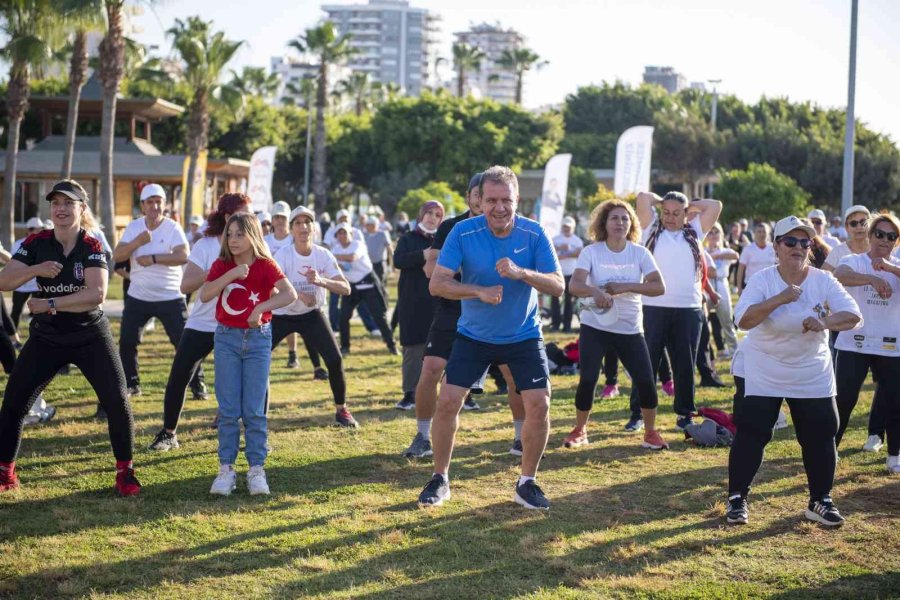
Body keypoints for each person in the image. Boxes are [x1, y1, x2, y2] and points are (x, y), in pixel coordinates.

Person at [417, 166, 563, 511]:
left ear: (517, 200)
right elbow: (437, 283)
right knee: (449, 400)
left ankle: (527, 482)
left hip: (523, 333)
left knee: (540, 403)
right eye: (492, 200)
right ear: (480, 201)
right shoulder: (463, 233)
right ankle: (440, 478)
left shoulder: (534, 232)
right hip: (474, 334)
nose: (500, 207)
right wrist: (477, 291)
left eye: (507, 200)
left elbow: (558, 285)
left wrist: (521, 273)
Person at [0, 179, 141, 496]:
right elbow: (4, 281)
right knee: (14, 403)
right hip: (47, 337)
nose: (61, 209)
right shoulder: (36, 243)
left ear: (82, 209)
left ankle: (125, 472)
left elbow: (96, 294)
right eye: (56, 203)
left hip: (89, 334)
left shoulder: (91, 245)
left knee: (117, 401)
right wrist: (35, 268)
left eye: (68, 203)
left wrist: (50, 303)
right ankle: (5, 472)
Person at [726, 215, 861, 527]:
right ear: (777, 246)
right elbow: (742, 320)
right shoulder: (763, 280)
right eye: (791, 241)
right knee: (753, 431)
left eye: (805, 242)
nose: (798, 247)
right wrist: (781, 298)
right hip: (764, 365)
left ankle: (820, 500)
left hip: (810, 368)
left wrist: (824, 322)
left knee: (822, 431)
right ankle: (737, 499)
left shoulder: (822, 280)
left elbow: (853, 315)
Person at [400, 173, 524, 458]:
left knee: (513, 375)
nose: (485, 201)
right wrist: (467, 278)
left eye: (492, 197)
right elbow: (431, 271)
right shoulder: (451, 227)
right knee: (430, 368)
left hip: (496, 310)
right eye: (479, 195)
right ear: (470, 196)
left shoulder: (511, 226)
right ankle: (421, 436)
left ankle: (520, 437)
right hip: (452, 308)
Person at [201, 213, 296, 496]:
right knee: (229, 410)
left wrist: (260, 308)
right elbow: (205, 294)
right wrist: (231, 274)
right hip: (226, 338)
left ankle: (256, 470)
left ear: (253, 235)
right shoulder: (222, 265)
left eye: (239, 234)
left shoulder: (266, 266)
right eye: (229, 234)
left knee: (254, 411)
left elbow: (289, 295)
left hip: (258, 340)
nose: (233, 240)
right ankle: (226, 470)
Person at [148, 193, 251, 451]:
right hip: (203, 323)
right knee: (179, 376)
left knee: (242, 381)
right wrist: (218, 272)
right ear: (228, 217)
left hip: (237, 325)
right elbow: (186, 285)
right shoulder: (206, 246)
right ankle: (168, 433)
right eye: (245, 213)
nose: (251, 219)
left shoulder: (255, 245)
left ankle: (251, 437)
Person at [565, 200, 668, 450]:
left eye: (625, 218)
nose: (620, 222)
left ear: (631, 223)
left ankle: (651, 433)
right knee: (588, 378)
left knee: (645, 379)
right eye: (614, 218)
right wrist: (594, 291)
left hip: (629, 328)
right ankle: (580, 430)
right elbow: (574, 286)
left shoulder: (640, 253)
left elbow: (658, 287)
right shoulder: (592, 251)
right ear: (604, 223)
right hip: (595, 325)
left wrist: (626, 286)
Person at [627, 191, 722, 432]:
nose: (670, 217)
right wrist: (662, 203)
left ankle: (684, 414)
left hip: (688, 308)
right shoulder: (650, 229)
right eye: (666, 213)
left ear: (686, 214)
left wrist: (690, 206)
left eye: (676, 213)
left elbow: (715, 205)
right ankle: (638, 413)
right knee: (646, 363)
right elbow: (641, 198)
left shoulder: (694, 231)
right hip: (653, 307)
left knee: (684, 364)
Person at [271, 206, 358, 428]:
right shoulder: (283, 255)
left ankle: (342, 410)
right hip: (281, 315)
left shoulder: (323, 255)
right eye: (298, 223)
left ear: (314, 228)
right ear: (291, 230)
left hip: (311, 315)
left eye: (307, 222)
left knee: (335, 359)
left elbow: (345, 288)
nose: (303, 227)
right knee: (256, 360)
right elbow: (270, 288)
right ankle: (231, 412)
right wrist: (299, 294)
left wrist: (322, 281)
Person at [833, 213, 900, 471]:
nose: (884, 240)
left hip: (891, 346)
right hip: (853, 343)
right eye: (880, 234)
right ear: (870, 236)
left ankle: (894, 455)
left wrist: (889, 268)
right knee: (844, 400)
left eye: (891, 236)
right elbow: (841, 273)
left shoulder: (897, 264)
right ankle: (830, 450)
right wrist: (873, 277)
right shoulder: (855, 260)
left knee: (895, 401)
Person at [114, 183, 189, 397]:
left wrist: (154, 258)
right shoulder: (134, 227)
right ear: (143, 206)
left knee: (184, 343)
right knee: (127, 341)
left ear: (164, 205)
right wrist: (137, 242)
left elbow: (183, 255)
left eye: (159, 202)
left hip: (170, 296)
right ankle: (131, 383)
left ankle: (195, 383)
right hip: (138, 296)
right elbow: (118, 256)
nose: (155, 206)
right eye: (150, 202)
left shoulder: (173, 227)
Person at [393, 201, 444, 410]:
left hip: (438, 302)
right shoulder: (408, 238)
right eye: (429, 213)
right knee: (413, 348)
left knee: (442, 349)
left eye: (438, 215)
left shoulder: (444, 240)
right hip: (411, 301)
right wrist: (423, 255)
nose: (432, 217)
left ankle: (456, 394)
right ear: (421, 215)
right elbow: (398, 260)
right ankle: (410, 393)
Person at [333, 223, 397, 356]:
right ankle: (345, 347)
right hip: (351, 286)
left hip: (368, 283)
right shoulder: (336, 248)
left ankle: (392, 345)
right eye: (339, 233)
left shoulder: (358, 244)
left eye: (345, 233)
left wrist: (334, 257)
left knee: (379, 316)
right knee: (343, 317)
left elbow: (352, 257)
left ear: (351, 234)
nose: (342, 236)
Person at [264, 200, 302, 369]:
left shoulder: (293, 240)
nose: (279, 221)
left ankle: (293, 353)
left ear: (289, 220)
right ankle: (262, 354)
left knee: (290, 319)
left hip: (287, 285)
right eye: (276, 217)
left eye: (283, 217)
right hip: (266, 285)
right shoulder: (265, 240)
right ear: (272, 220)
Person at [705, 222, 740, 356]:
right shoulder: (704, 251)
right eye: (710, 232)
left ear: (721, 234)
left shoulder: (725, 250)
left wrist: (716, 255)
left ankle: (734, 351)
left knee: (727, 320)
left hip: (721, 284)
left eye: (716, 232)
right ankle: (707, 353)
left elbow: (735, 256)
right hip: (706, 286)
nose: (713, 235)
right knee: (703, 321)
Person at [551, 216, 584, 332]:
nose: (566, 229)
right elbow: (550, 253)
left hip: (571, 273)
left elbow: (579, 254)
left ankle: (567, 326)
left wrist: (563, 254)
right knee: (555, 299)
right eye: (565, 226)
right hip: (557, 272)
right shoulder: (555, 239)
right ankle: (555, 324)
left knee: (569, 301)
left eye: (568, 227)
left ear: (573, 228)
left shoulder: (577, 240)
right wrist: (561, 248)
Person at [823, 205, 871, 273]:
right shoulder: (838, 251)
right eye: (853, 223)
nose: (859, 227)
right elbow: (822, 278)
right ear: (846, 227)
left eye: (863, 222)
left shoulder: (881, 249)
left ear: (871, 224)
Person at [736, 223, 776, 295]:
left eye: (764, 232)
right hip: (752, 286)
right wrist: (739, 287)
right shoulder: (748, 249)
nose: (761, 234)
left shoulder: (774, 248)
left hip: (770, 286)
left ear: (768, 233)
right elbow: (741, 269)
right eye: (759, 232)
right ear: (754, 234)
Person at [364, 215, 393, 290]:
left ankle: (384, 301)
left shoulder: (383, 234)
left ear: (374, 225)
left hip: (380, 264)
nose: (366, 227)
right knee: (370, 286)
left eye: (368, 225)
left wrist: (393, 262)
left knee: (381, 285)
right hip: (368, 264)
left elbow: (389, 247)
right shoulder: (365, 234)